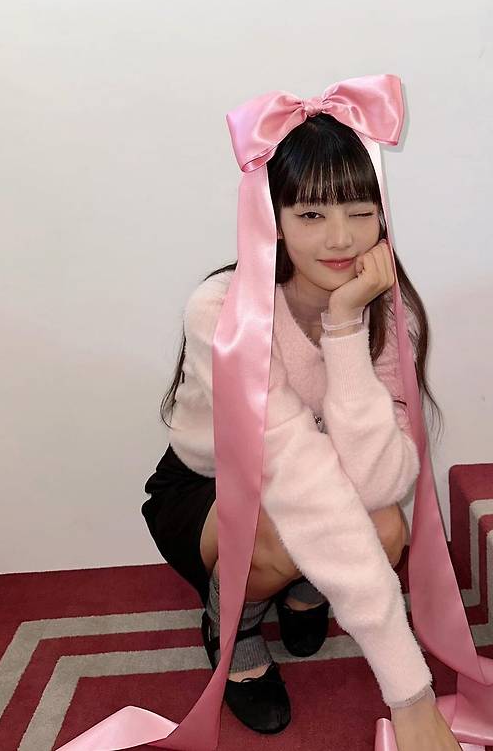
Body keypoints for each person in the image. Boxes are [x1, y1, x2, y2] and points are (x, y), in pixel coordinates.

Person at [141, 111, 462, 751]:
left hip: (321, 477)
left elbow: (381, 480)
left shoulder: (389, 313)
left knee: (387, 525)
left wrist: (345, 327)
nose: (340, 238)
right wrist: (411, 697)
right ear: (274, 220)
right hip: (208, 487)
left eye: (360, 211)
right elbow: (294, 475)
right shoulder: (223, 311)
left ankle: (306, 589)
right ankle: (232, 624)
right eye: (311, 214)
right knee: (277, 541)